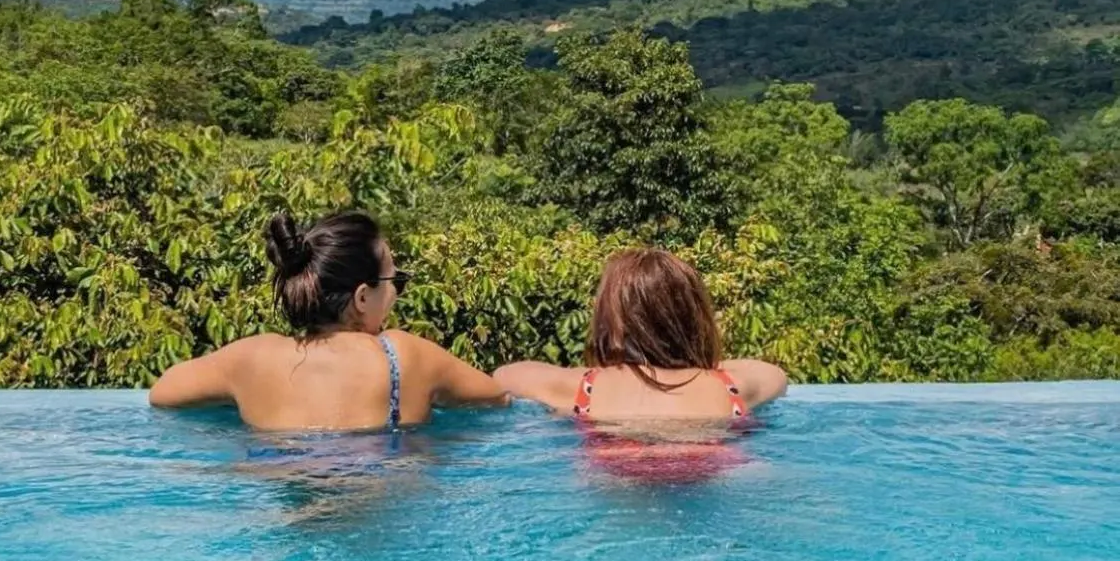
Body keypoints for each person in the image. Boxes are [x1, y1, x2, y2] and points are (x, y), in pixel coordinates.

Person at [149, 209, 506, 431]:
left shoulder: (252, 358)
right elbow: (498, 398)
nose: (397, 292)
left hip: (292, 498)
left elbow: (163, 393)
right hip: (378, 513)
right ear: (363, 297)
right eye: (395, 281)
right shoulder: (405, 356)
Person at [495, 247, 787, 481]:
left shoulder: (583, 386)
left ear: (611, 319)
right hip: (714, 468)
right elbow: (776, 376)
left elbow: (505, 375)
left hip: (615, 472)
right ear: (694, 318)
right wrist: (697, 366)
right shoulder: (730, 386)